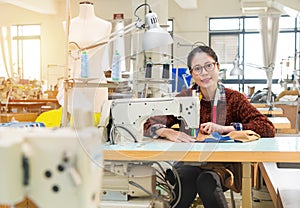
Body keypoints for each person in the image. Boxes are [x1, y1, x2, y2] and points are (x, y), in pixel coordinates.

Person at [144, 45, 276, 208]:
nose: (204, 73)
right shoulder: (184, 98)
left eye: (208, 66)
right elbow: (147, 123)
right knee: (183, 177)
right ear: (192, 73)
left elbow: (267, 127)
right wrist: (166, 130)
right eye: (197, 69)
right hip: (190, 161)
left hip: (222, 165)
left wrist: (226, 129)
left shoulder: (234, 99)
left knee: (207, 180)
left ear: (218, 67)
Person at [58, 1, 112, 115]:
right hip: (74, 82)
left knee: (97, 125)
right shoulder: (67, 24)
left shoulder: (105, 25)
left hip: (96, 84)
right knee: (74, 125)